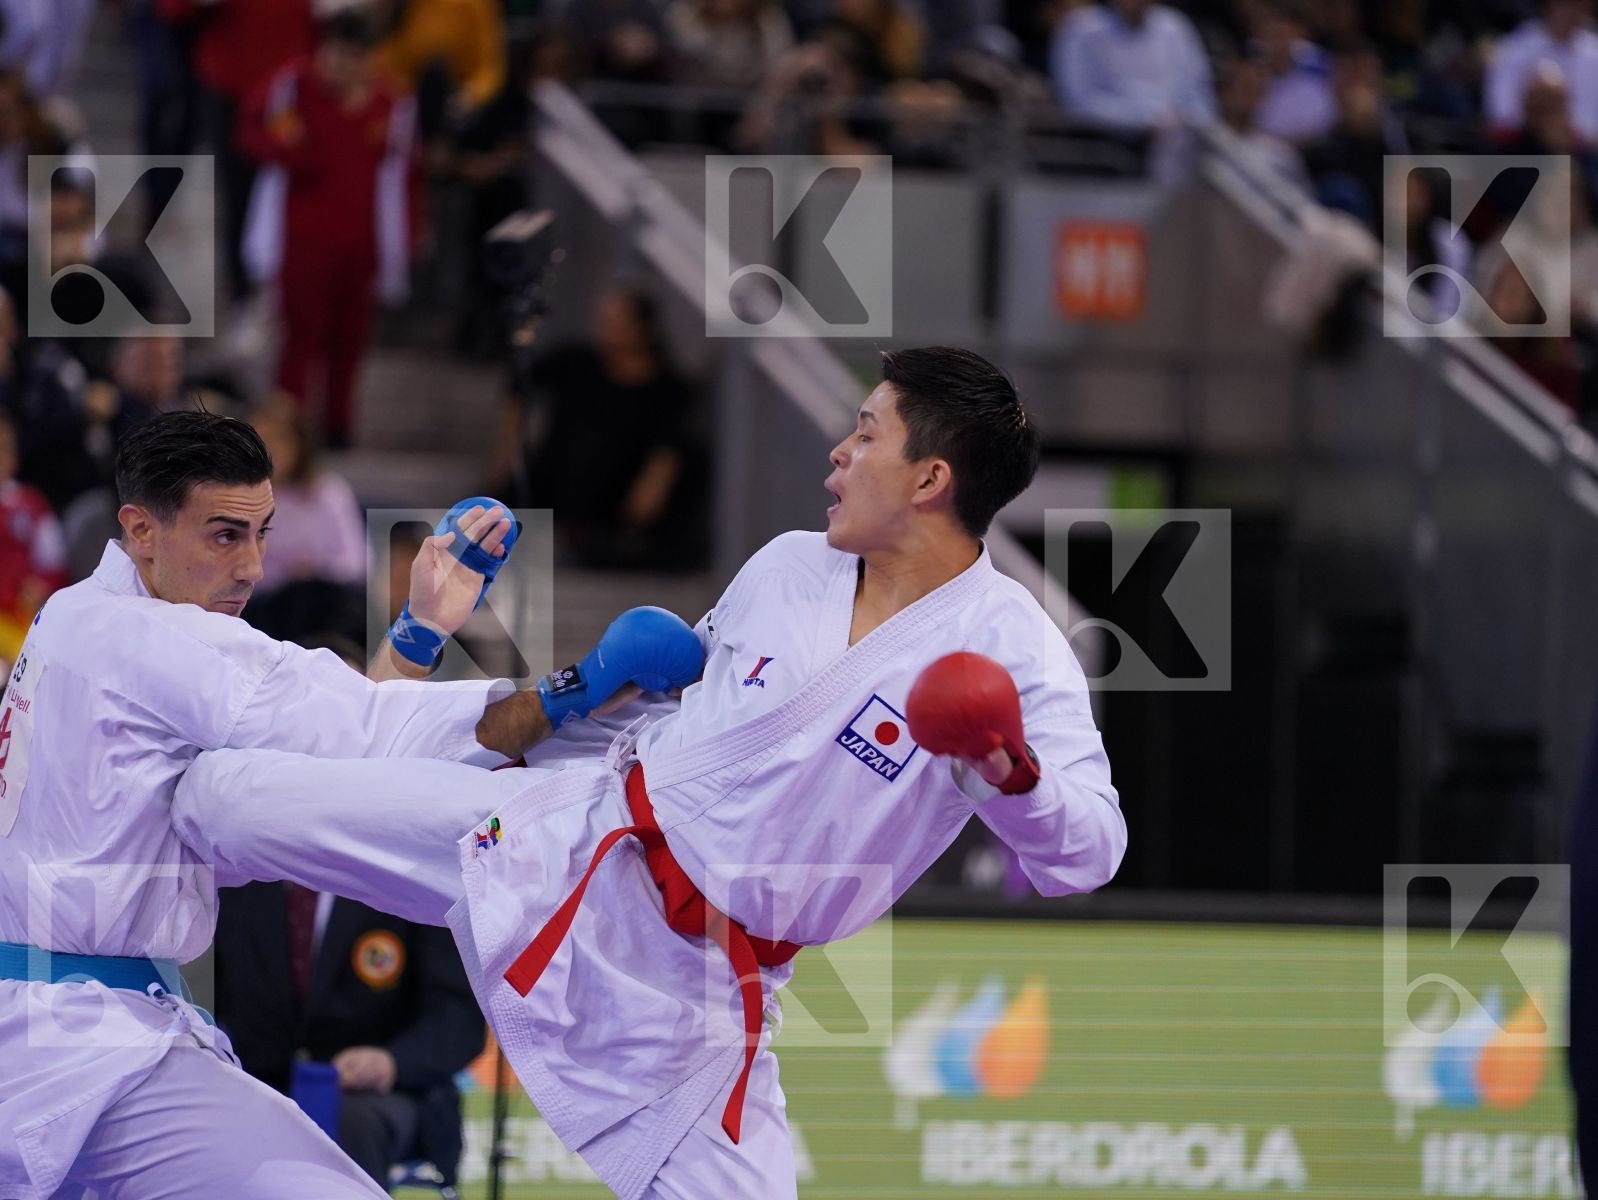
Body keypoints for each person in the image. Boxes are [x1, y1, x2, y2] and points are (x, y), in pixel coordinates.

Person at [172, 346, 1128, 1199]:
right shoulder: (791, 565)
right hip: (571, 844)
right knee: (233, 797)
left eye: (864, 433)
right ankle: (101, 993)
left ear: (930, 477)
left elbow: (1087, 852)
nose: (838, 452)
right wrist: (576, 694)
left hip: (697, 993)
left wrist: (1008, 771)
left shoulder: (1014, 654)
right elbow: (679, 714)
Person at [0, 409, 536, 1200]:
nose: (252, 565)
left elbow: (328, 769)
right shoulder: (144, 638)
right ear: (140, 529)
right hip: (81, 1039)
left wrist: (421, 630)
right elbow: (361, 734)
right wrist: (568, 701)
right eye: (224, 535)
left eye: (263, 533)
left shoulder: (80, 626)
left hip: (71, 1030)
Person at [239, 10, 416, 449]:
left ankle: (338, 423)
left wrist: (404, 245)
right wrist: (290, 150)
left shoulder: (392, 106)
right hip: (302, 243)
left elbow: (408, 178)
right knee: (299, 340)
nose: (341, 67)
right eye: (334, 55)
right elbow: (248, 131)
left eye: (353, 58)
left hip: (361, 247)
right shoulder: (290, 90)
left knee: (349, 342)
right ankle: (285, 433)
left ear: (370, 61)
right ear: (321, 51)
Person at [1050, 0, 1214, 131]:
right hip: (1103, 140)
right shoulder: (1081, 28)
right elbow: (1078, 103)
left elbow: (1199, 97)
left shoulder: (1174, 27)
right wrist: (1147, 119)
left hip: (1177, 136)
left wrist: (1188, 122)